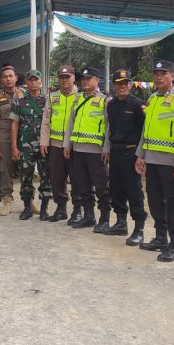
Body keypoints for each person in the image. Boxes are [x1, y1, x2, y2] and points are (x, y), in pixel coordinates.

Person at [135, 60, 174, 260]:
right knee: (155, 199)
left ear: (172, 77)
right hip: (152, 159)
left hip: (170, 161)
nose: (158, 77)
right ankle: (160, 237)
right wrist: (140, 154)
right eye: (156, 73)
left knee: (173, 202)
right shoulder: (152, 98)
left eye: (163, 73)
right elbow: (146, 129)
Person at [103, 69, 146, 240]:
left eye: (125, 83)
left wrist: (142, 155)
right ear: (113, 86)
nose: (122, 86)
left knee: (133, 190)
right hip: (115, 151)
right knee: (116, 188)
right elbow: (109, 129)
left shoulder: (138, 105)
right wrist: (107, 148)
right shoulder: (111, 105)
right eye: (118, 83)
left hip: (132, 152)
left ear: (129, 85)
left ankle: (139, 228)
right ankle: (121, 222)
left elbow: (145, 131)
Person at [63, 67, 109, 229]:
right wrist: (67, 144)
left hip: (96, 151)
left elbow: (109, 127)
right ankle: (89, 216)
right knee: (82, 184)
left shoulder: (105, 100)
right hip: (78, 149)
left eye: (89, 78)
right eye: (83, 79)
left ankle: (105, 218)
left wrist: (107, 148)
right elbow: (71, 123)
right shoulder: (77, 99)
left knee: (101, 186)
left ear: (97, 80)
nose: (85, 81)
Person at [10, 69, 51, 220]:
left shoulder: (48, 100)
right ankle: (27, 207)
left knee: (46, 177)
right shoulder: (19, 100)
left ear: (41, 82)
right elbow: (14, 124)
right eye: (30, 80)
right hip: (25, 146)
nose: (33, 82)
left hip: (44, 146)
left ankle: (44, 208)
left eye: (36, 79)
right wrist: (14, 146)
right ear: (26, 82)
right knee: (25, 178)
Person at [39, 65, 78, 223]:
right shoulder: (52, 96)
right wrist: (44, 141)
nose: (64, 81)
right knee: (57, 178)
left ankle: (78, 209)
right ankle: (61, 208)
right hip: (55, 144)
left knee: (77, 178)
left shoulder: (80, 96)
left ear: (73, 78)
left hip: (75, 146)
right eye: (62, 78)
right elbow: (46, 121)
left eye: (67, 77)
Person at [0, 64, 26, 216]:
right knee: (4, 170)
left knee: (26, 169)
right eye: (5, 77)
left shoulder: (25, 94)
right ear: (1, 80)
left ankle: (28, 200)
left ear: (16, 78)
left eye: (11, 76)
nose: (8, 79)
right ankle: (7, 200)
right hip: (3, 137)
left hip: (24, 136)